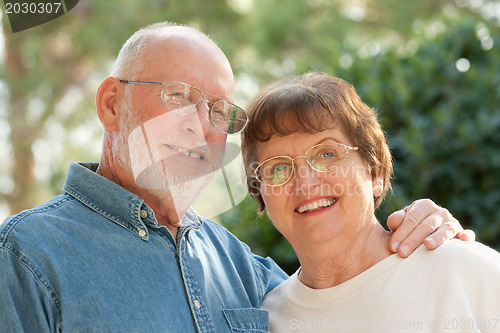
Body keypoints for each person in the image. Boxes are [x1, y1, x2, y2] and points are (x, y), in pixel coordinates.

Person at [0, 23, 472, 332]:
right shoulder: (26, 256)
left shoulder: (239, 266)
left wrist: (421, 228)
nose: (200, 125)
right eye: (179, 95)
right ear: (109, 104)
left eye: (220, 111)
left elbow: (338, 287)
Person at [241, 72, 500, 333]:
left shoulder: (464, 274)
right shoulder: (265, 322)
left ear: (374, 171)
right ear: (261, 193)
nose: (305, 183)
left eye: (327, 154)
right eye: (278, 168)